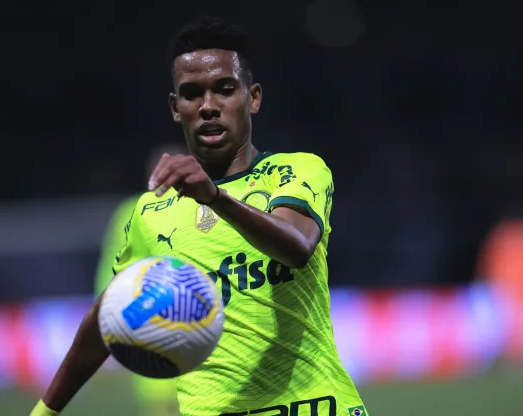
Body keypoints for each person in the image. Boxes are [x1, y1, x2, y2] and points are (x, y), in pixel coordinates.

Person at [31, 15, 367, 416]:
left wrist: (216, 198)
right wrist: (44, 411)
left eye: (225, 89)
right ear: (176, 108)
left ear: (253, 97)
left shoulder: (297, 172)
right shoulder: (151, 211)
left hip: (315, 406)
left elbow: (297, 246)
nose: (209, 106)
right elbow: (106, 317)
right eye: (192, 94)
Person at [93, 142, 185, 416]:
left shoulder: (201, 209)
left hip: (191, 311)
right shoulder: (133, 211)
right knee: (159, 399)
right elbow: (113, 264)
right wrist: (109, 314)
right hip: (148, 314)